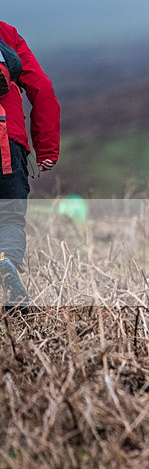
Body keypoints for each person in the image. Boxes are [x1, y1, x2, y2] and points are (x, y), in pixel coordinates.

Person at [0, 22, 60, 309]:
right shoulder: (5, 33)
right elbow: (42, 88)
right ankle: (7, 266)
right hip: (7, 143)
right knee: (10, 219)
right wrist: (46, 148)